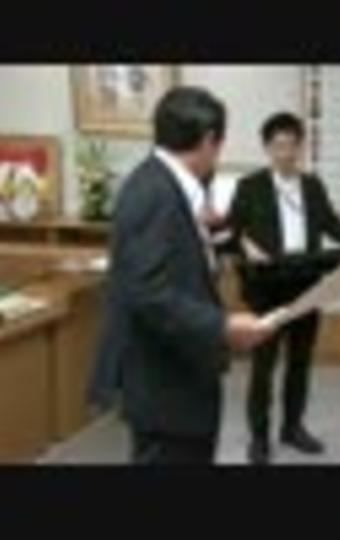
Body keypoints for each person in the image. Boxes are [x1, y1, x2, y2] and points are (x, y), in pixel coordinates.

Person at [86, 87, 274, 465]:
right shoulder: (155, 194)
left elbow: (179, 256)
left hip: (177, 374)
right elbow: (149, 293)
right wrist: (222, 326)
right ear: (208, 140)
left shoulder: (169, 183)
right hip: (164, 385)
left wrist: (214, 233)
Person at [227, 112, 340, 465]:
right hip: (267, 286)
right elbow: (231, 232)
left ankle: (292, 427)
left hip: (305, 282)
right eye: (278, 146)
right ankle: (259, 437)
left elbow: (331, 223)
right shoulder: (250, 186)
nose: (285, 154)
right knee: (264, 365)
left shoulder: (312, 186)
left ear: (301, 147)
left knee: (300, 362)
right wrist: (246, 248)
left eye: (291, 145)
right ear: (267, 148)